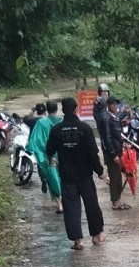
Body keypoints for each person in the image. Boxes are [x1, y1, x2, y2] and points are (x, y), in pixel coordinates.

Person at [45, 96, 105, 250]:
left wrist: (53, 158)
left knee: (71, 207)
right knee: (91, 204)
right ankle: (96, 235)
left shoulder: (57, 130)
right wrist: (100, 171)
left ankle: (78, 240)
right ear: (75, 109)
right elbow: (93, 153)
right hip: (85, 175)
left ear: (63, 111)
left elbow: (49, 150)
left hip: (67, 176)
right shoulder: (84, 129)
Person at [29, 100, 63, 214]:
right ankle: (65, 201)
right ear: (57, 109)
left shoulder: (41, 123)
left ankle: (59, 204)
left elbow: (36, 140)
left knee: (52, 179)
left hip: (49, 155)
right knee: (63, 178)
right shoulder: (62, 122)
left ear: (47, 110)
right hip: (62, 155)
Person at [97, 95, 129, 210]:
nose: (116, 106)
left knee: (118, 178)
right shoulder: (106, 118)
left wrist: (123, 142)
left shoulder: (113, 116)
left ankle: (118, 200)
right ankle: (115, 202)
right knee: (114, 178)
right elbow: (107, 138)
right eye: (113, 104)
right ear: (108, 105)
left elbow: (117, 134)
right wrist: (113, 154)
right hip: (111, 153)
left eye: (117, 104)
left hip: (117, 150)